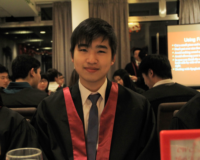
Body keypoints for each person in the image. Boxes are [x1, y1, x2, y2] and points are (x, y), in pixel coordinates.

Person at [32, 18, 157, 160]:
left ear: (113, 58)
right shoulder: (49, 109)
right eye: (84, 50)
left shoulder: (138, 108)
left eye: (101, 51)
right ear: (72, 55)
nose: (91, 59)